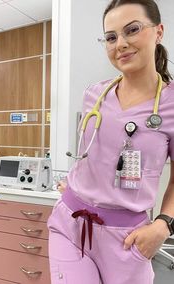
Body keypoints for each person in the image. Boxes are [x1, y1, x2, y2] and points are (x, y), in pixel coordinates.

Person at [47, 0, 174, 283]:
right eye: (111, 37)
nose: (121, 44)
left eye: (132, 30)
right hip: (71, 224)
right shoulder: (94, 94)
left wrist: (163, 225)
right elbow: (91, 154)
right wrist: (76, 184)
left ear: (158, 32)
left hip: (127, 239)